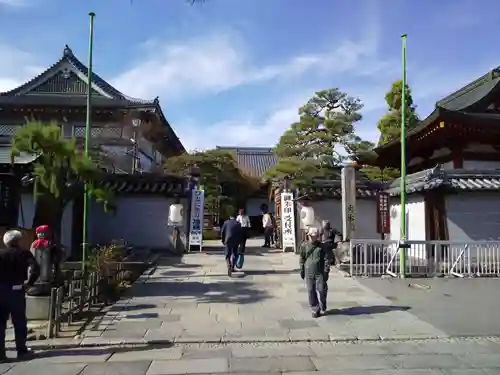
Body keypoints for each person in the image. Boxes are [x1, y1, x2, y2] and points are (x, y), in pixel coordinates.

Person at [0, 230, 40, 362]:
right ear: (17, 241)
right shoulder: (24, 253)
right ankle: (21, 350)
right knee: (19, 322)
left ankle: (1, 354)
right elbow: (35, 268)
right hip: (17, 289)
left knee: (1, 323)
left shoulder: (1, 253)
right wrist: (29, 283)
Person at [299, 227, 333, 318]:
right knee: (311, 291)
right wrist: (301, 270)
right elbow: (302, 258)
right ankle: (315, 309)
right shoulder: (304, 245)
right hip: (308, 271)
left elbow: (327, 259)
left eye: (315, 236)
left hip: (320, 272)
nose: (312, 238)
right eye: (311, 236)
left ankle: (323, 303)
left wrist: (326, 270)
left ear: (317, 236)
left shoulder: (322, 246)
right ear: (308, 235)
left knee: (321, 289)